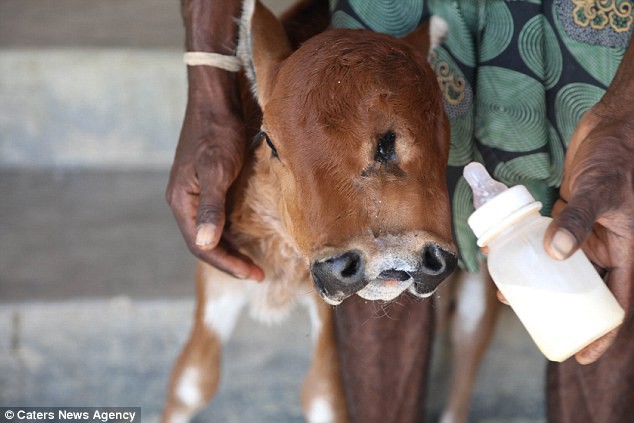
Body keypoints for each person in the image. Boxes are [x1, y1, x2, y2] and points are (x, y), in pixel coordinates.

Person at [166, 0, 633, 421]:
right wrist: (208, 83)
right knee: (361, 227)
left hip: (585, 29)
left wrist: (628, 115)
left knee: (601, 224)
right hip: (394, 12)